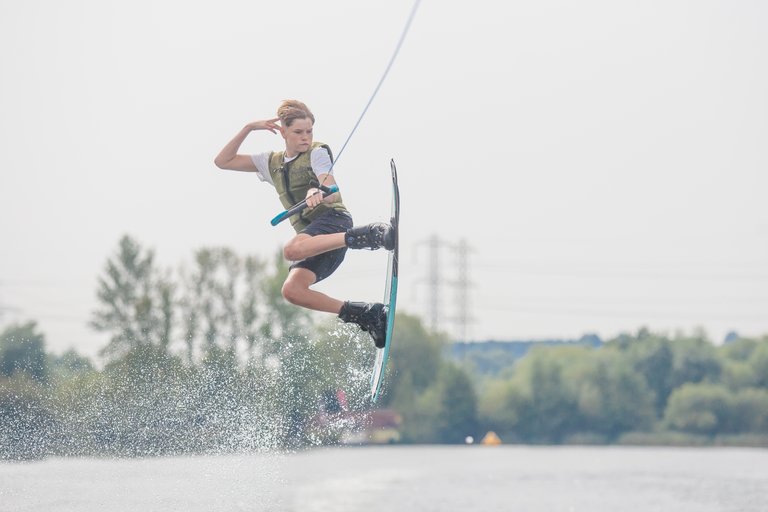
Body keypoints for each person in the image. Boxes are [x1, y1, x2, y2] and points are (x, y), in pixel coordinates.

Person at [214, 100, 394, 348]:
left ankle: (370, 235)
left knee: (291, 250)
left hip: (334, 222)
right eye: (298, 132)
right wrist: (248, 128)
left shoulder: (317, 153)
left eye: (309, 131)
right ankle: (366, 314)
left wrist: (317, 190)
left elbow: (330, 188)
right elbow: (223, 161)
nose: (305, 137)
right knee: (292, 291)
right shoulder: (270, 163)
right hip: (314, 242)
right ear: (283, 132)